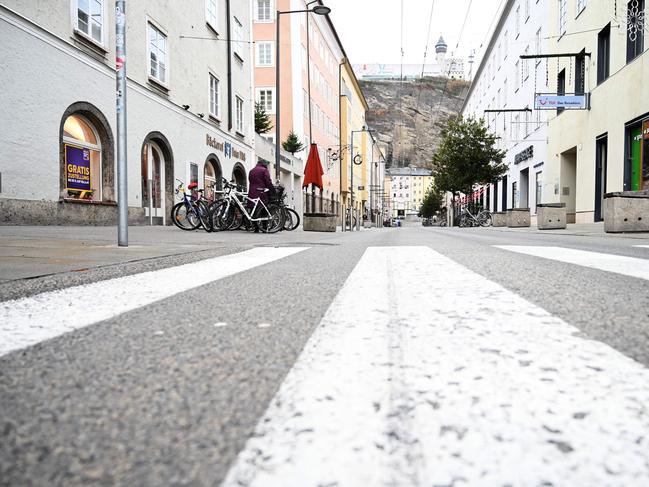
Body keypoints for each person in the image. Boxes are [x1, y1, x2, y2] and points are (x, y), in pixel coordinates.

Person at [247, 159, 275, 232]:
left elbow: (250, 181)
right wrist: (272, 189)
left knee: (254, 210)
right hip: (261, 192)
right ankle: (264, 227)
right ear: (264, 164)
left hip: (252, 192)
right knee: (263, 210)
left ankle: (256, 228)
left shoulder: (252, 170)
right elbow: (268, 181)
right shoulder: (264, 170)